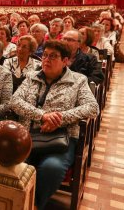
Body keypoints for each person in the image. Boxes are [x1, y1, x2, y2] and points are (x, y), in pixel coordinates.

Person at [10, 40, 98, 210]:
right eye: (45, 56)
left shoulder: (78, 80)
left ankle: (35, 205)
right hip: (28, 134)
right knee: (11, 164)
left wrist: (59, 119)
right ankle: (13, 203)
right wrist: (43, 116)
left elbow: (92, 107)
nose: (47, 60)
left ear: (66, 61)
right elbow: (15, 101)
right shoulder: (31, 77)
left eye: (53, 56)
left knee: (52, 167)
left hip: (60, 138)